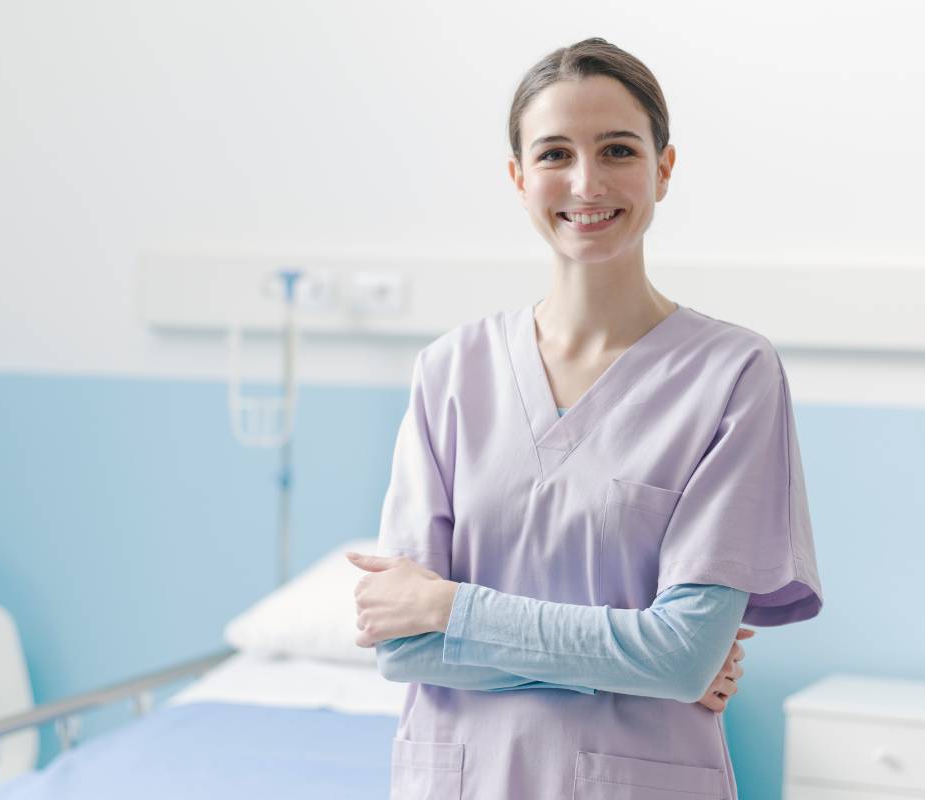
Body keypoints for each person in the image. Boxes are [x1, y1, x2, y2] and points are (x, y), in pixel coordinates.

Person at [346, 37, 823, 799]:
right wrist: (633, 659)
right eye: (555, 154)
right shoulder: (450, 371)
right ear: (518, 177)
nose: (586, 181)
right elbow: (404, 649)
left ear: (664, 169)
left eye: (618, 150)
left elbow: (681, 659)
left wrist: (450, 608)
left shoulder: (734, 375)